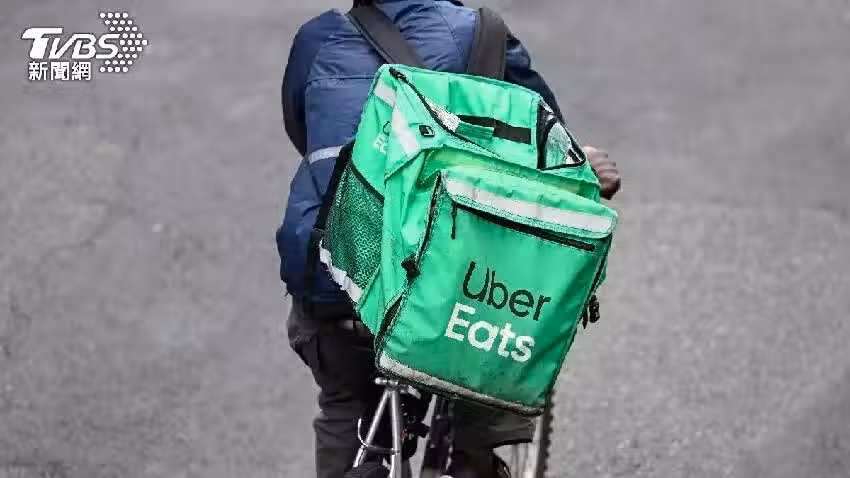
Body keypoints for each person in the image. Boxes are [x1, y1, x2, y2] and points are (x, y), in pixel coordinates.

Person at [276, 1, 621, 477]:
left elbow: (305, 132)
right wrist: (586, 168)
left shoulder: (318, 40)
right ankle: (472, 458)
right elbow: (544, 154)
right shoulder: (484, 36)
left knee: (347, 404)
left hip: (338, 271)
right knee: (489, 344)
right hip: (449, 281)